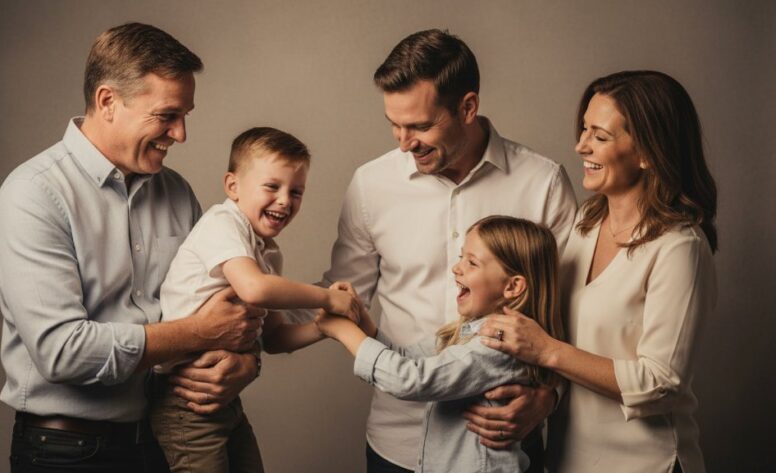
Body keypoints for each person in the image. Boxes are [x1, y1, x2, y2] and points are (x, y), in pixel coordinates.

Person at [0, 23, 264, 473]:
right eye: (167, 115)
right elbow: (62, 351)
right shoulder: (33, 194)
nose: (181, 134)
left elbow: (226, 310)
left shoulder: (177, 192)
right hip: (66, 453)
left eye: (185, 115)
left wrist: (244, 363)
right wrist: (200, 333)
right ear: (107, 102)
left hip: (164, 440)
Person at [302, 29, 578, 472]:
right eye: (394, 124)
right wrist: (250, 324)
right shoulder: (371, 184)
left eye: (420, 126)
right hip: (397, 444)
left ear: (467, 107)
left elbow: (569, 313)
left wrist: (550, 397)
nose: (403, 142)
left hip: (501, 448)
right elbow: (339, 295)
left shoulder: (542, 183)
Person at [479, 70, 718, 472]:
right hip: (570, 458)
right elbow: (574, 346)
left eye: (600, 136)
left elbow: (661, 383)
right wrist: (546, 395)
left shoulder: (680, 248)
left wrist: (547, 350)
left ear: (647, 154)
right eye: (584, 129)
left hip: (647, 464)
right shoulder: (585, 223)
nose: (580, 145)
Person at [149, 127, 360, 472]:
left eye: (296, 191)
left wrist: (323, 328)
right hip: (186, 401)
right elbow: (254, 290)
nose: (285, 200)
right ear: (233, 186)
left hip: (226, 399)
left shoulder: (268, 253)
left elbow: (273, 338)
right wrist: (328, 298)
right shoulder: (222, 224)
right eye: (272, 186)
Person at [316, 216, 564, 473]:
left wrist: (343, 331)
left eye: (472, 262)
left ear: (513, 286)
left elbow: (409, 379)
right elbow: (406, 357)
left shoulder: (497, 346)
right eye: (461, 257)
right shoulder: (471, 330)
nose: (457, 268)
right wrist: (362, 323)